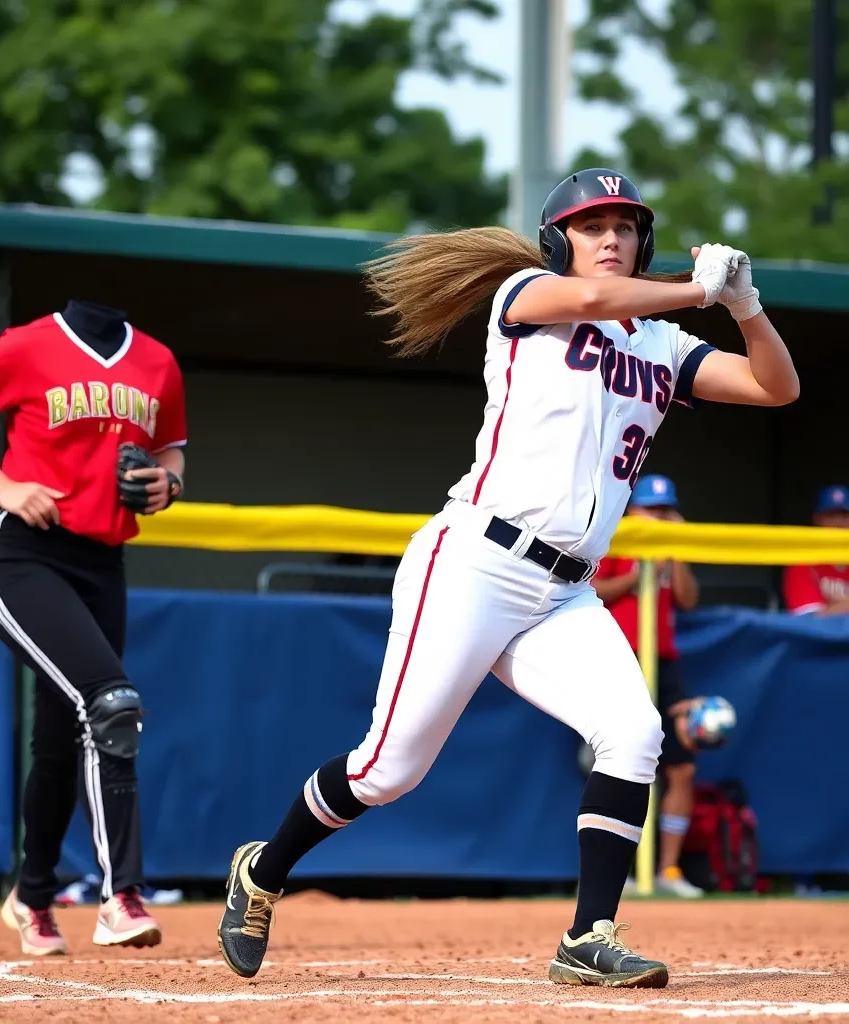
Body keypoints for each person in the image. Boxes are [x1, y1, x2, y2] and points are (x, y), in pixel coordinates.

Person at [217, 168, 799, 989]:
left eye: (624, 227)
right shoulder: (527, 294)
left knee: (634, 732)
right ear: (559, 241)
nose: (610, 238)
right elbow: (593, 301)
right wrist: (695, 289)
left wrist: (744, 305)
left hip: (566, 591)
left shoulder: (664, 344)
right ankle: (263, 870)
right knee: (387, 771)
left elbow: (777, 387)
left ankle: (588, 935)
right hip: (475, 563)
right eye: (591, 226)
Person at [0, 299, 186, 956]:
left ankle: (33, 896)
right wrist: (3, 484)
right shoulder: (27, 344)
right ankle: (121, 897)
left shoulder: (157, 360)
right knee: (111, 704)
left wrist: (167, 484)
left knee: (63, 738)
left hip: (104, 562)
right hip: (23, 552)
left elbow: (171, 454)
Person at [593, 474, 703, 898]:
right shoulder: (614, 537)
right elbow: (593, 590)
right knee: (620, 765)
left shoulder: (669, 548)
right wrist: (640, 573)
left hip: (665, 661)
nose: (659, 516)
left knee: (682, 767)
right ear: (632, 510)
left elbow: (688, 599)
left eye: (665, 509)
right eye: (651, 509)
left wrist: (674, 552)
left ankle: (668, 870)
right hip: (621, 658)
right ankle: (617, 873)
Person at [783, 485, 849, 615]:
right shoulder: (803, 565)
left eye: (845, 515)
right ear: (818, 519)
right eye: (831, 515)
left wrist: (837, 607)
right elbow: (809, 620)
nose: (839, 522)